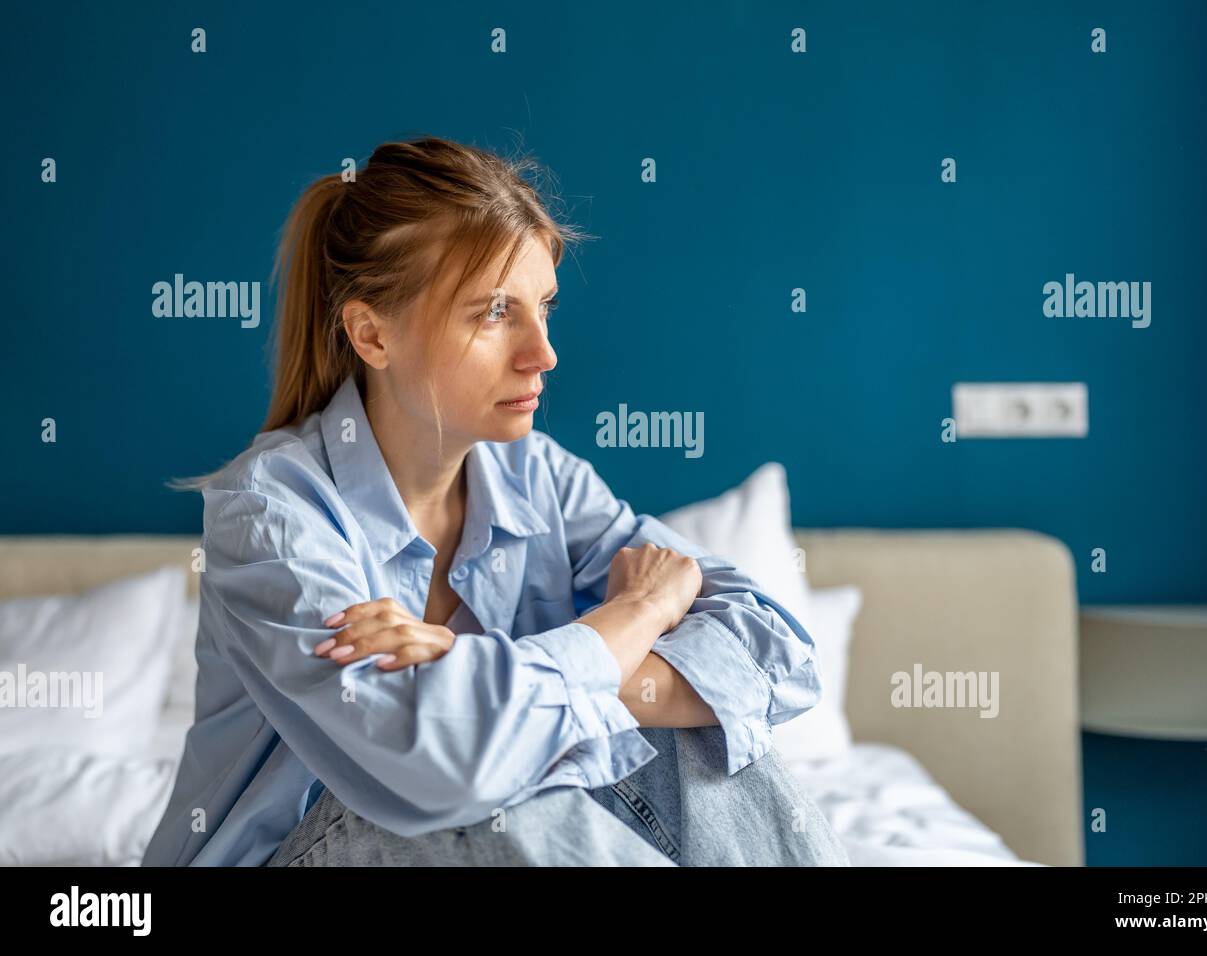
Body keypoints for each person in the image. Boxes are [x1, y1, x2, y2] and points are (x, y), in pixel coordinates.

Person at [144, 135, 849, 867]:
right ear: (371, 334)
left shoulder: (536, 477)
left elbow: (779, 656)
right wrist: (632, 617)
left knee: (696, 740)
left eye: (543, 306)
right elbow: (451, 770)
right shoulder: (271, 514)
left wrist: (478, 663)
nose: (542, 354)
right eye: (491, 313)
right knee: (503, 795)